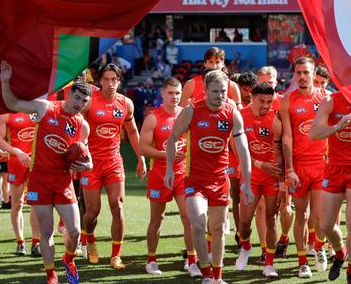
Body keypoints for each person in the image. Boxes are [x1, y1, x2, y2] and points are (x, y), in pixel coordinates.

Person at [0, 60, 93, 284]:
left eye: (85, 100)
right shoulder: (44, 107)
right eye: (78, 97)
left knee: (75, 231)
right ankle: (51, 275)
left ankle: (68, 259)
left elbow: (85, 155)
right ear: (69, 94)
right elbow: (12, 103)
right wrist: (5, 81)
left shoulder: (82, 124)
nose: (80, 103)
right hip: (39, 179)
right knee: (47, 230)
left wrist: (87, 165)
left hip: (63, 181)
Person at [164, 70, 253, 284]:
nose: (219, 96)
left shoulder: (233, 113)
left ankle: (217, 276)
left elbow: (243, 150)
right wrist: (169, 168)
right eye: (214, 91)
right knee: (197, 222)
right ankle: (205, 274)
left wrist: (247, 183)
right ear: (205, 91)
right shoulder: (191, 111)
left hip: (220, 180)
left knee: (218, 229)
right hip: (195, 180)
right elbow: (172, 138)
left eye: (223, 91)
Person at [80, 63, 145, 270]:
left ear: (119, 81)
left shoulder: (125, 104)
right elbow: (76, 126)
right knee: (92, 212)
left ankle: (116, 255)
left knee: (117, 206)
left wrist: (141, 157)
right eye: (106, 79)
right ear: (99, 81)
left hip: (113, 161)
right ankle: (89, 237)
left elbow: (133, 132)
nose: (110, 84)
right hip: (90, 162)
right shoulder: (89, 102)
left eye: (113, 80)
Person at [138, 77, 201, 277]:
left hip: (184, 173)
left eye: (178, 93)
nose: (175, 97)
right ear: (162, 93)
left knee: (188, 217)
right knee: (157, 218)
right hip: (159, 174)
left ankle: (192, 260)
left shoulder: (187, 114)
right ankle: (151, 260)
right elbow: (143, 148)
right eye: (171, 93)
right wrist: (169, 155)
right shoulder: (153, 118)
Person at [309, 91, 351, 284]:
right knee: (325, 224)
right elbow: (313, 133)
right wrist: (337, 126)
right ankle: (340, 253)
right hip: (334, 168)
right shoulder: (329, 101)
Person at [280, 57, 328, 278]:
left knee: (319, 216)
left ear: (313, 73)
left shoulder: (326, 98)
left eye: (305, 73)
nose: (301, 77)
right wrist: (289, 169)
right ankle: (302, 262)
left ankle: (318, 248)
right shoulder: (287, 100)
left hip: (321, 164)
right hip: (299, 165)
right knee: (301, 213)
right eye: (298, 73)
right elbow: (287, 138)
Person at [235, 83, 284, 278]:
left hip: (272, 177)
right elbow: (236, 150)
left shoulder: (276, 119)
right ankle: (245, 247)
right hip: (250, 176)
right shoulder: (240, 116)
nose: (266, 105)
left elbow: (281, 153)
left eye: (269, 101)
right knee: (245, 221)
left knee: (271, 219)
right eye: (262, 101)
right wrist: (260, 165)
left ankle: (269, 264)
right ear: (252, 99)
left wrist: (282, 185)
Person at [257, 65, 294, 259]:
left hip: (282, 163)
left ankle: (284, 239)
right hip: (261, 164)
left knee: (285, 206)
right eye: (262, 83)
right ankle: (265, 249)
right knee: (262, 207)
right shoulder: (252, 106)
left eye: (270, 83)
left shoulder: (284, 103)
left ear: (276, 81)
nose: (267, 86)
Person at [0, 112, 42, 256]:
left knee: (35, 202)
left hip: (35, 164)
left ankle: (36, 242)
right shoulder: (5, 113)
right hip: (16, 163)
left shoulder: (38, 107)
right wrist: (17, 151)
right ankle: (20, 242)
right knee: (17, 203)